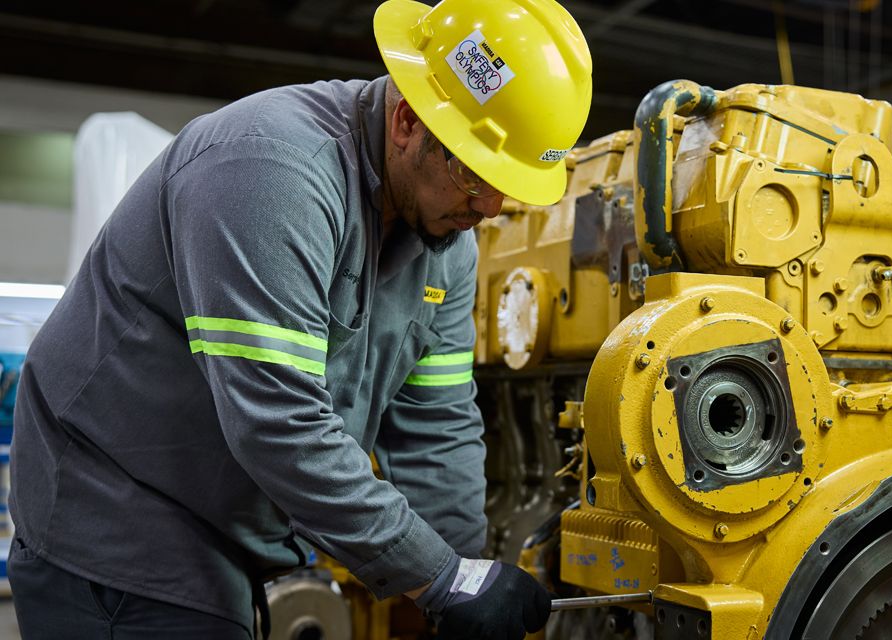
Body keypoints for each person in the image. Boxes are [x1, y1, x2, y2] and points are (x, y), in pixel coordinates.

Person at [7, 0, 592, 638]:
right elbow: (277, 422)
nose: (491, 205)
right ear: (405, 121)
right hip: (113, 522)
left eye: (508, 184)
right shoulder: (270, 170)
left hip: (216, 537)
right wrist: (439, 577)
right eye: (474, 174)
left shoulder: (446, 241)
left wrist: (470, 583)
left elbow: (437, 427)